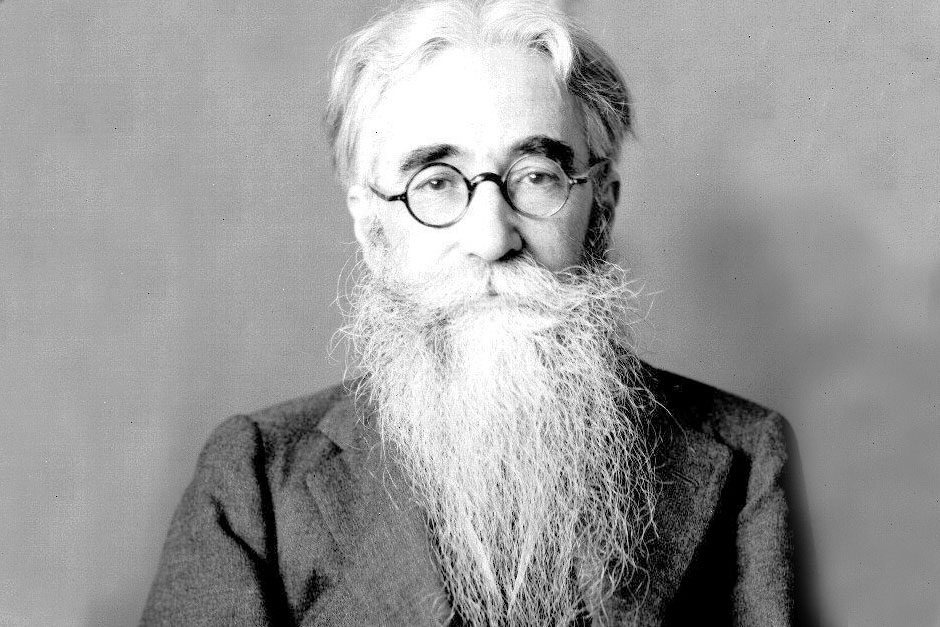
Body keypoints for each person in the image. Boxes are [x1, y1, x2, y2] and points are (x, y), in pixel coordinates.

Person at [143, 1, 816, 624]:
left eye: (537, 176)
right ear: (373, 229)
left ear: (601, 209)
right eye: (436, 183)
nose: (493, 238)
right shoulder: (256, 482)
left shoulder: (746, 457)